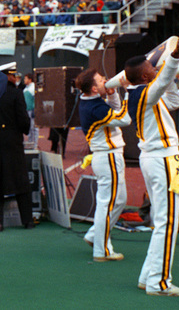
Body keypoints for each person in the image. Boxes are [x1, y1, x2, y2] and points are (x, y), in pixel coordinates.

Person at [125, 28, 179, 296]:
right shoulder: (145, 93)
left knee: (164, 220)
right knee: (168, 222)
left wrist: (175, 75)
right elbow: (161, 84)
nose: (155, 69)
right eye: (151, 68)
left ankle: (148, 276)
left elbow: (173, 100)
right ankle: (159, 282)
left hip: (160, 159)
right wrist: (174, 57)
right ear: (144, 76)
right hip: (162, 159)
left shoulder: (144, 93)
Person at [77, 68, 131, 261]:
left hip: (108, 156)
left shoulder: (92, 102)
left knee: (118, 200)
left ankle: (95, 236)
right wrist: (128, 92)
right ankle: (102, 250)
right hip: (108, 156)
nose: (105, 82)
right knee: (107, 203)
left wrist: (113, 94)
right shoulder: (96, 107)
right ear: (93, 88)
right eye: (101, 81)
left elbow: (114, 115)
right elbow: (124, 119)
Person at [0, 62, 33, 232]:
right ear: (7, 76)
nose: (15, 78)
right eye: (13, 75)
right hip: (13, 142)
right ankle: (27, 220)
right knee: (20, 182)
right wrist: (21, 131)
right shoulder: (16, 94)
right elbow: (24, 121)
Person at [23, 73, 38, 149]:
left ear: (30, 79)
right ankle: (30, 143)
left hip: (32, 110)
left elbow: (37, 100)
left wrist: (34, 110)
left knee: (34, 128)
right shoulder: (26, 89)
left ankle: (34, 145)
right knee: (29, 128)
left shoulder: (33, 88)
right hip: (27, 110)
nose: (24, 80)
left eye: (25, 78)